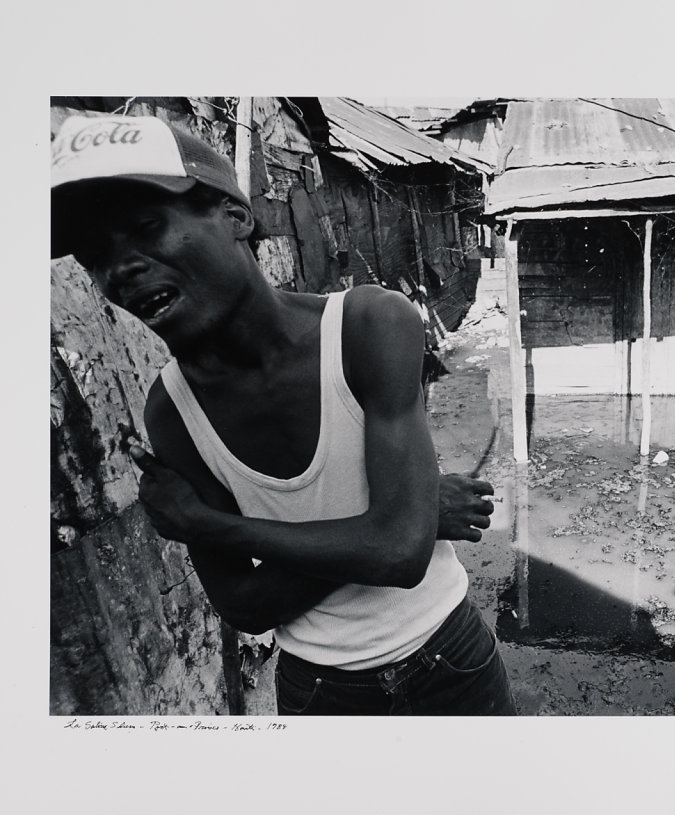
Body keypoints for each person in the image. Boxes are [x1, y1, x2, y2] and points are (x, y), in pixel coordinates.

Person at [50, 113, 517, 715]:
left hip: (450, 657)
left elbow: (399, 558)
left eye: (146, 227)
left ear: (235, 215)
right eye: (95, 256)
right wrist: (413, 515)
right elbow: (245, 607)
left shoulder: (370, 326)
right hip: (322, 692)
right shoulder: (173, 414)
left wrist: (210, 525)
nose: (121, 269)